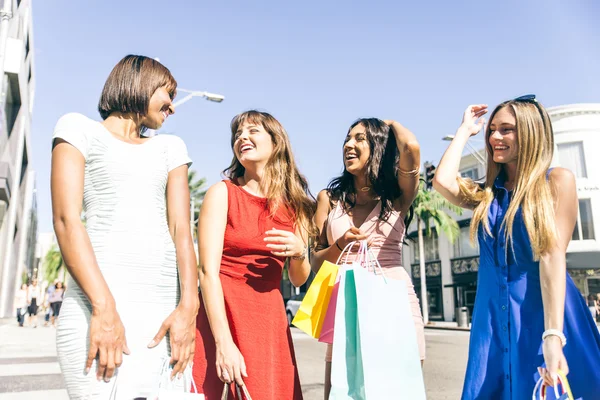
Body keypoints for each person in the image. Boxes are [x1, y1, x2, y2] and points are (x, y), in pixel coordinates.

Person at [51, 55, 198, 399]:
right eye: (168, 94)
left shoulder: (170, 147)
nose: (173, 107)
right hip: (96, 305)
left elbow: (182, 232)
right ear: (141, 84)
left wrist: (188, 309)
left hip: (164, 317)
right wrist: (104, 308)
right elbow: (66, 220)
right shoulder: (76, 128)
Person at [433, 97, 600, 399]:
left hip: (543, 315)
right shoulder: (487, 194)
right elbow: (443, 181)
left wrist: (552, 336)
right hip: (493, 321)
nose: (495, 137)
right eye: (492, 129)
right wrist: (464, 130)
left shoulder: (557, 181)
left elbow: (552, 255)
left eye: (506, 129)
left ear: (530, 132)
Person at [193, 110, 315, 399]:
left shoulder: (295, 206)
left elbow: (298, 279)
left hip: (268, 322)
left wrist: (300, 252)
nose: (242, 138)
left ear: (276, 143)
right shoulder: (222, 194)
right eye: (238, 134)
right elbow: (207, 273)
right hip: (220, 317)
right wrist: (224, 343)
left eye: (252, 131)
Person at [311, 118, 425, 399]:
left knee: (398, 391)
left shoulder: (398, 195)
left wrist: (390, 124)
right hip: (345, 304)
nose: (349, 144)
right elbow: (316, 265)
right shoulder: (330, 198)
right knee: (340, 392)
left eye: (360, 138)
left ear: (378, 146)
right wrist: (340, 244)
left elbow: (410, 146)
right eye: (347, 139)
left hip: (393, 300)